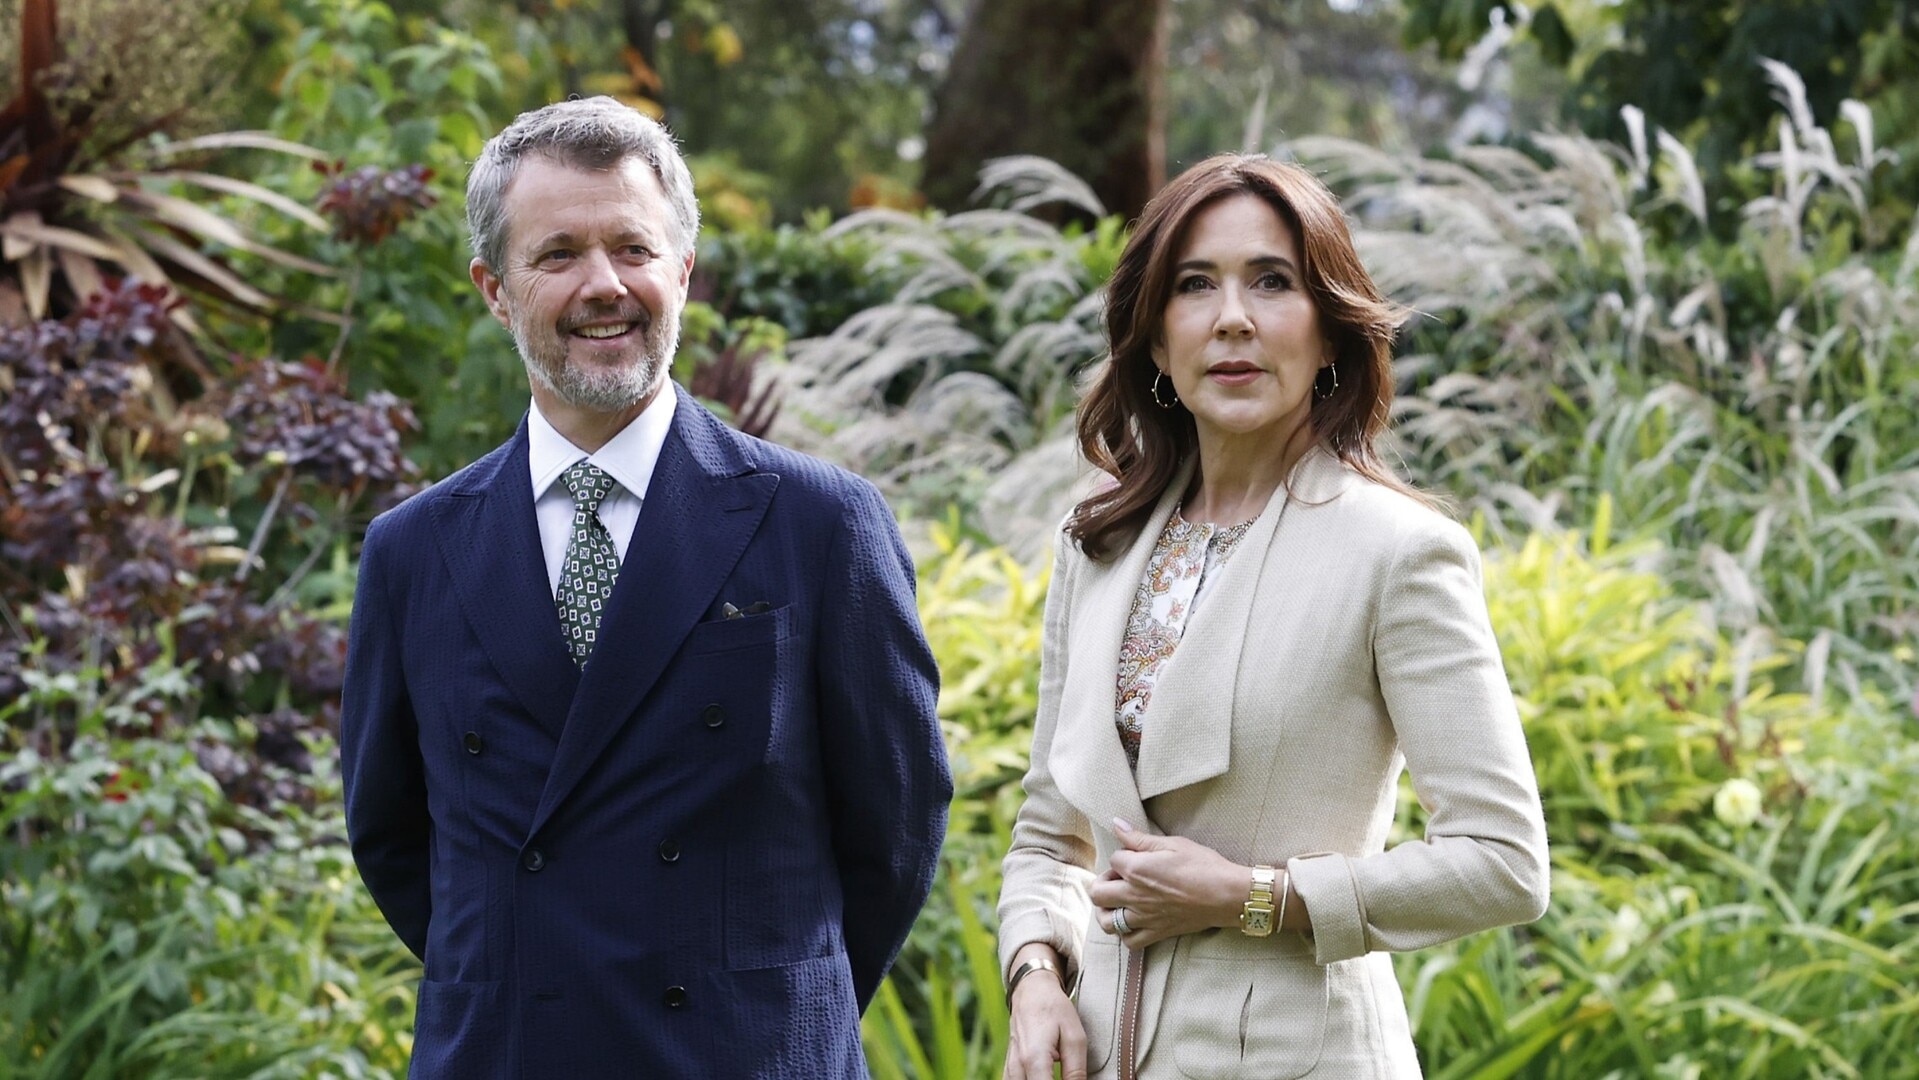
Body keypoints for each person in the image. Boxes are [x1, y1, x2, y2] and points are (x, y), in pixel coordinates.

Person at [340, 97, 952, 1079]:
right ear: (494, 290)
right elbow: (389, 834)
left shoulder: (821, 525)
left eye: (633, 248)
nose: (604, 285)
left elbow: (897, 824)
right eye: (557, 255)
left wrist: (766, 1004)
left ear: (682, 271)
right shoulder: (412, 551)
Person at [996, 154, 1550, 1079]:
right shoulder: (1096, 542)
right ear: (1156, 338)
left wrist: (1256, 897)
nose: (1232, 318)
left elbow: (1503, 863)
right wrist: (1035, 978)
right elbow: (1051, 835)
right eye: (1194, 285)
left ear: (1330, 332)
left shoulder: (1398, 552)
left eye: (1271, 282)